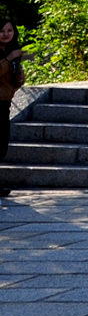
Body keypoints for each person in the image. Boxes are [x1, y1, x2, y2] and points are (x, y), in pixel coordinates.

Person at [0, 20, 23, 196]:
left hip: (5, 102)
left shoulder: (11, 52)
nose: (6, 34)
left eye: (9, 30)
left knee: (2, 146)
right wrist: (8, 59)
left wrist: (20, 76)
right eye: (1, 31)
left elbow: (15, 83)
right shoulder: (6, 55)